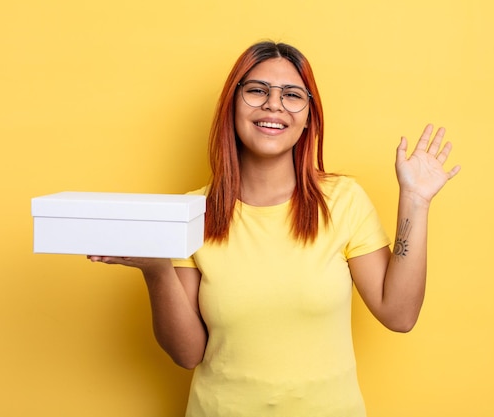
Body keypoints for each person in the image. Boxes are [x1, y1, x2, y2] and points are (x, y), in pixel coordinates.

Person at [88, 41, 460, 416]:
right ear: (232, 105)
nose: (273, 104)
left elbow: (399, 315)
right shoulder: (194, 213)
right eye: (257, 90)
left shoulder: (343, 200)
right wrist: (156, 269)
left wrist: (415, 200)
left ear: (309, 117)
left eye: (292, 95)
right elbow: (187, 354)